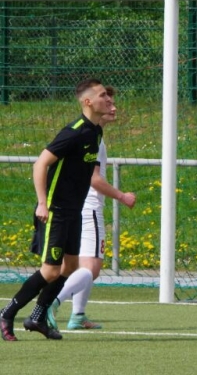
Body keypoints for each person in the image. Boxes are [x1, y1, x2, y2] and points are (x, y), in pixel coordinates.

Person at [1, 78, 114, 341]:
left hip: (74, 210)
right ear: (88, 102)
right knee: (51, 270)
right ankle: (7, 313)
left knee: (70, 267)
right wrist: (42, 203)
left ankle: (37, 317)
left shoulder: (95, 132)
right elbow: (40, 164)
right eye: (102, 95)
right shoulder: (74, 132)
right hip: (56, 211)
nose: (108, 99)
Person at [47, 86, 137, 331]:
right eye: (108, 102)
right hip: (88, 208)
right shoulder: (90, 137)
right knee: (90, 269)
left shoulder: (94, 135)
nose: (113, 107)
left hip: (79, 207)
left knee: (80, 267)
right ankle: (50, 303)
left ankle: (77, 315)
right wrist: (122, 196)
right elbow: (94, 179)